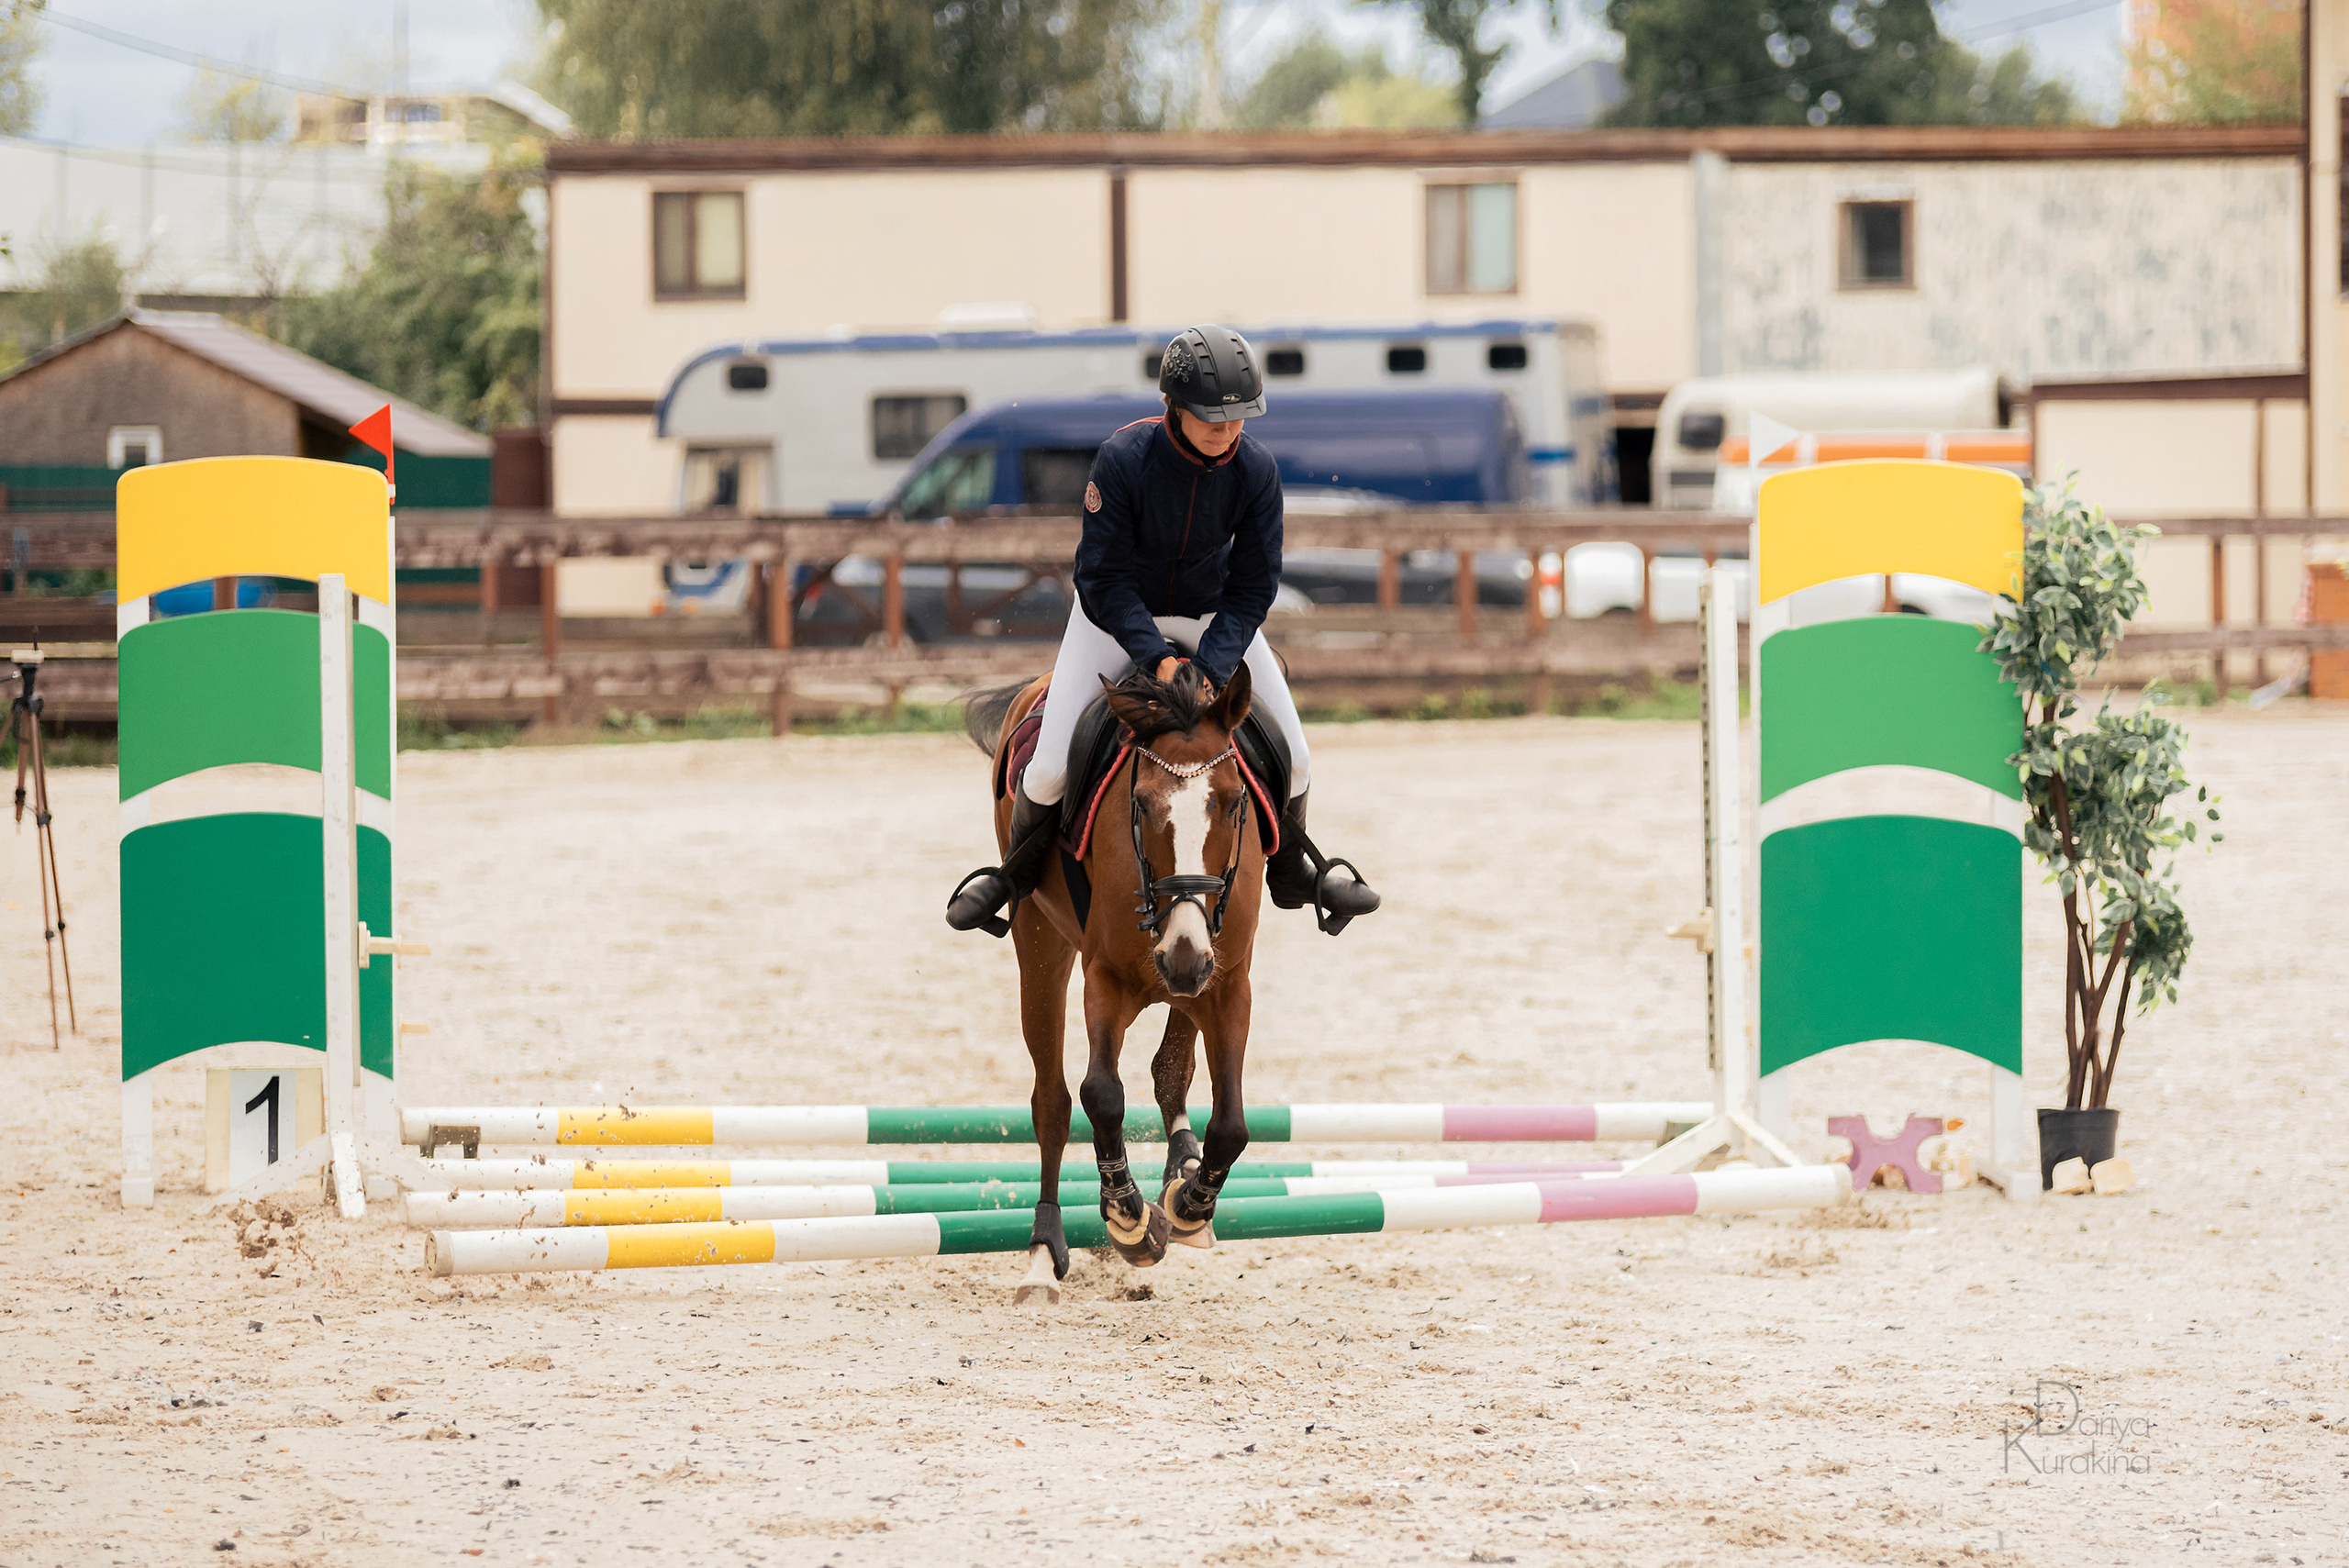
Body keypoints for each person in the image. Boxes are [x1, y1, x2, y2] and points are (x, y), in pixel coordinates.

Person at [946, 324, 1381, 936]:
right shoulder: (1124, 460)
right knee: (1046, 771)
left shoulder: (1256, 469)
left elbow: (1255, 584)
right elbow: (1099, 577)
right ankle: (1014, 876)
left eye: (1238, 419)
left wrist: (1215, 662)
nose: (1227, 432)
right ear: (1171, 407)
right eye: (1213, 418)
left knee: (1300, 758)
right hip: (1115, 617)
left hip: (1210, 618)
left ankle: (1290, 871)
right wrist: (1157, 659)